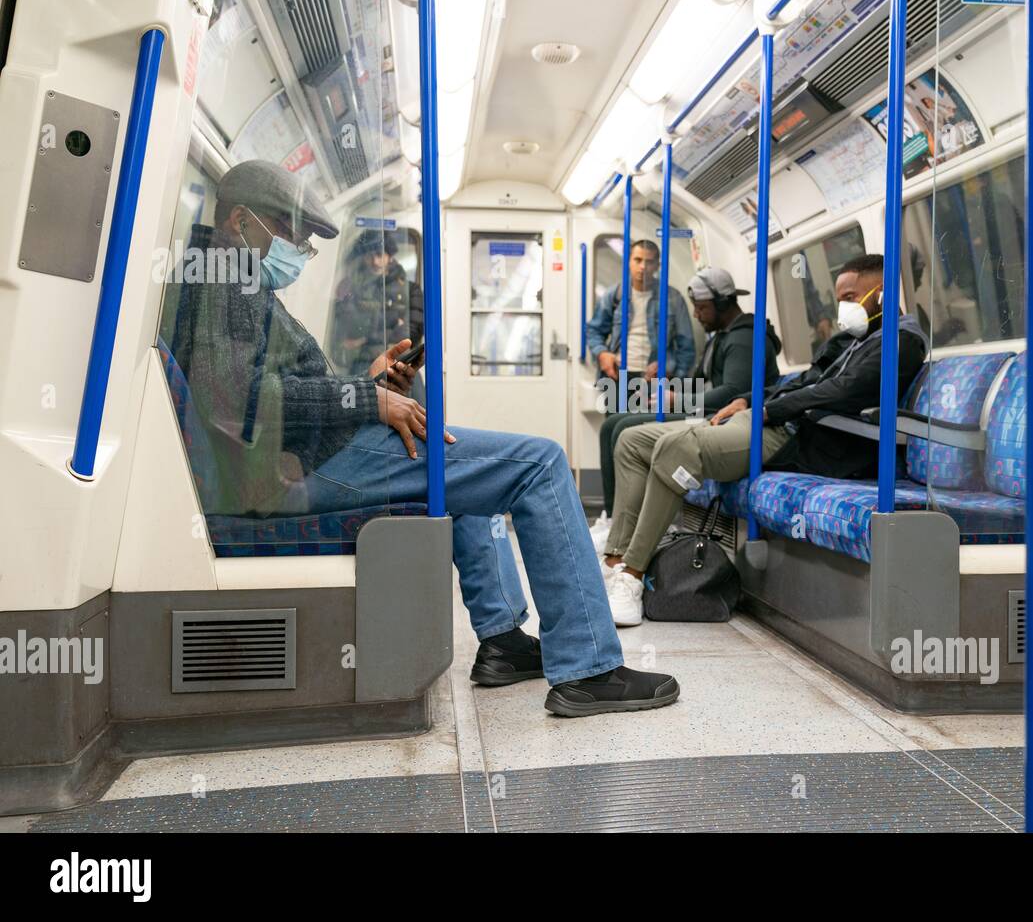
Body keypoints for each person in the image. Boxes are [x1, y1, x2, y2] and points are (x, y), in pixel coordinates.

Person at [165, 160, 678, 717]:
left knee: (457, 462)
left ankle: (503, 642)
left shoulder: (235, 277)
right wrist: (365, 400)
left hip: (309, 453)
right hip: (298, 469)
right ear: (241, 221)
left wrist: (369, 383)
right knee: (541, 463)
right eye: (292, 235)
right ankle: (590, 669)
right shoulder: (219, 280)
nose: (299, 251)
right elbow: (238, 401)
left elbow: (272, 390)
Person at [600, 255, 929, 623]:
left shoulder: (900, 343)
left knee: (676, 448)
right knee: (632, 439)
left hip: (800, 437)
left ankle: (632, 577)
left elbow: (843, 391)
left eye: (850, 296)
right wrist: (750, 400)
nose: (843, 308)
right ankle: (616, 558)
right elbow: (806, 381)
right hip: (770, 419)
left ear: (881, 293)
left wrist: (771, 411)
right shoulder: (851, 341)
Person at [590, 268, 781, 552]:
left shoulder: (744, 339)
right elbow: (705, 383)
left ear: (722, 304)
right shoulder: (723, 336)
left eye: (702, 308)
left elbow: (731, 394)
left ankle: (627, 529)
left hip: (724, 420)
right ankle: (614, 521)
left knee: (622, 428)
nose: (696, 315)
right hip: (710, 410)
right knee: (613, 423)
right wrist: (671, 390)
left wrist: (676, 400)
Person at [584, 239, 695, 409]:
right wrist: (602, 354)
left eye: (649, 262)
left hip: (656, 379)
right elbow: (594, 330)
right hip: (618, 375)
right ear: (629, 262)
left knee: (643, 430)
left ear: (657, 266)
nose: (643, 267)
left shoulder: (672, 298)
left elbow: (686, 346)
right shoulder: (615, 294)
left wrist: (674, 379)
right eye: (638, 260)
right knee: (614, 428)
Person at [329, 230, 423, 378]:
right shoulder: (353, 289)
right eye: (369, 256)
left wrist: (365, 339)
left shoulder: (411, 290)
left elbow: (412, 334)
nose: (374, 261)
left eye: (379, 255)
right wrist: (393, 325)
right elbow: (349, 327)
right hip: (363, 362)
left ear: (390, 257)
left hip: (401, 364)